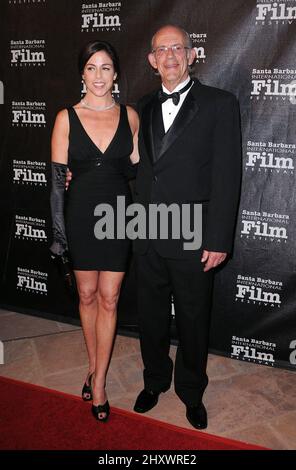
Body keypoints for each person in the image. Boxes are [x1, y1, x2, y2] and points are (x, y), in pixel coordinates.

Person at [133, 25, 241, 429]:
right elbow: (129, 166)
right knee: (151, 317)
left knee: (194, 319)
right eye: (162, 49)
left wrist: (218, 238)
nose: (170, 56)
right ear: (151, 60)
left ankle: (191, 391)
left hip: (195, 235)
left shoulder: (219, 104)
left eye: (178, 47)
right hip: (145, 232)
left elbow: (228, 177)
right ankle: (154, 380)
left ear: (192, 54)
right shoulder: (139, 107)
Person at [49, 40, 139, 422]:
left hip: (118, 216)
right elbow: (55, 183)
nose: (98, 75)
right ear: (82, 73)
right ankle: (92, 364)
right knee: (86, 295)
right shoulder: (65, 118)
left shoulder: (131, 116)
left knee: (110, 297)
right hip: (80, 216)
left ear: (116, 74)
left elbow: (138, 169)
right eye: (91, 67)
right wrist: (59, 235)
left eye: (106, 67)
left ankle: (98, 382)